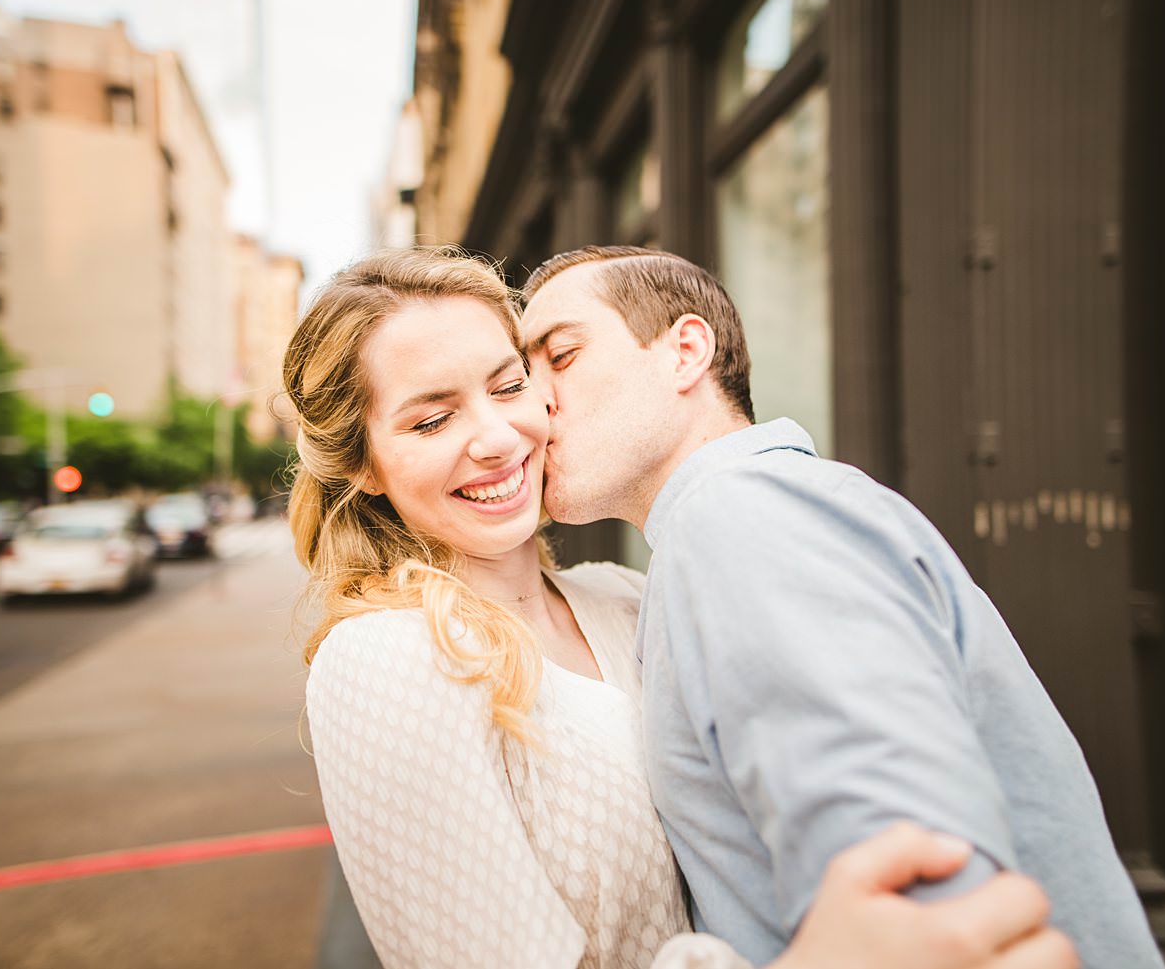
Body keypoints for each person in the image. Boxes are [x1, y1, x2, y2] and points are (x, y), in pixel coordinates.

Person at [288, 247, 1076, 969]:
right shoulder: (385, 660)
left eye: (510, 383)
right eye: (432, 419)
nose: (498, 436)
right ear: (363, 467)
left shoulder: (629, 595)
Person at [518, 245, 1165, 969]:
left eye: (562, 356)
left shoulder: (736, 517)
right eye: (523, 373)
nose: (531, 403)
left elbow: (921, 898)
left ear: (686, 351)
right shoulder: (750, 517)